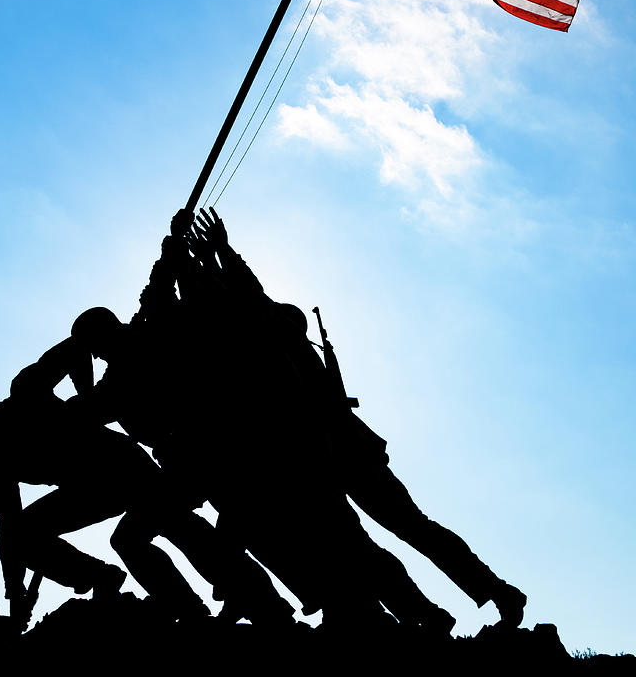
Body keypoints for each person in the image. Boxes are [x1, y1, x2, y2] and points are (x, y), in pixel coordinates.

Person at [187, 207, 527, 628]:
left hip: (342, 454)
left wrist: (219, 254)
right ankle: (444, 606)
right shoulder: (282, 350)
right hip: (327, 458)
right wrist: (205, 259)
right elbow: (236, 304)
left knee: (405, 531)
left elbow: (247, 300)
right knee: (377, 540)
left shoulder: (287, 348)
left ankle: (486, 594)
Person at [0, 347, 216, 630]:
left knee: (169, 526)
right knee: (27, 536)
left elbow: (77, 349)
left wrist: (86, 402)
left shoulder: (25, 392)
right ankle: (108, 580)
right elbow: (11, 528)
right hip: (92, 490)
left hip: (120, 464)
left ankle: (222, 595)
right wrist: (15, 590)